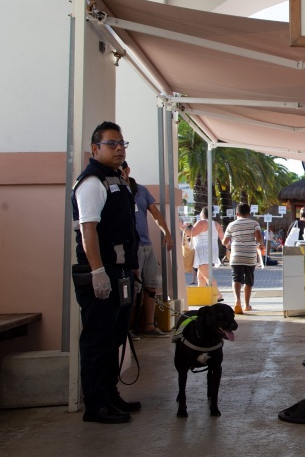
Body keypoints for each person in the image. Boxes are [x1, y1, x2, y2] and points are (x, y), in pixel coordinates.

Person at [71, 121, 140, 424]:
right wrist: (98, 272)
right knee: (98, 341)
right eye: (112, 144)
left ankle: (110, 396)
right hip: (102, 272)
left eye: (122, 143)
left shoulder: (117, 178)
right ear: (95, 149)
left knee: (115, 337)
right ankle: (96, 405)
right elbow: (88, 231)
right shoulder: (92, 182)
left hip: (120, 271)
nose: (119, 148)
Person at [119, 162, 173, 337]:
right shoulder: (113, 191)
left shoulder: (141, 190)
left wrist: (167, 233)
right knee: (130, 289)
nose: (119, 174)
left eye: (121, 170)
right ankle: (126, 328)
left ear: (127, 170)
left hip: (146, 245)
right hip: (128, 247)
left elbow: (155, 213)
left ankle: (148, 325)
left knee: (151, 286)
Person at [222, 203, 265, 315]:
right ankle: (246, 305)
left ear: (237, 213)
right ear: (249, 213)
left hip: (236, 255)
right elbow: (259, 236)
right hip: (250, 255)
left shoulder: (231, 225)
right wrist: (261, 244)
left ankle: (237, 301)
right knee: (248, 279)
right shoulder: (254, 223)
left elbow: (224, 242)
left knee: (236, 278)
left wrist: (229, 245)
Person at [187, 207, 225, 301]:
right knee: (201, 276)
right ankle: (201, 296)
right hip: (212, 250)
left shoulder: (201, 222)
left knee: (207, 275)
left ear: (202, 213)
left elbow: (192, 233)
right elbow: (223, 239)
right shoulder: (217, 224)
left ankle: (217, 294)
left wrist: (182, 227)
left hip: (202, 250)